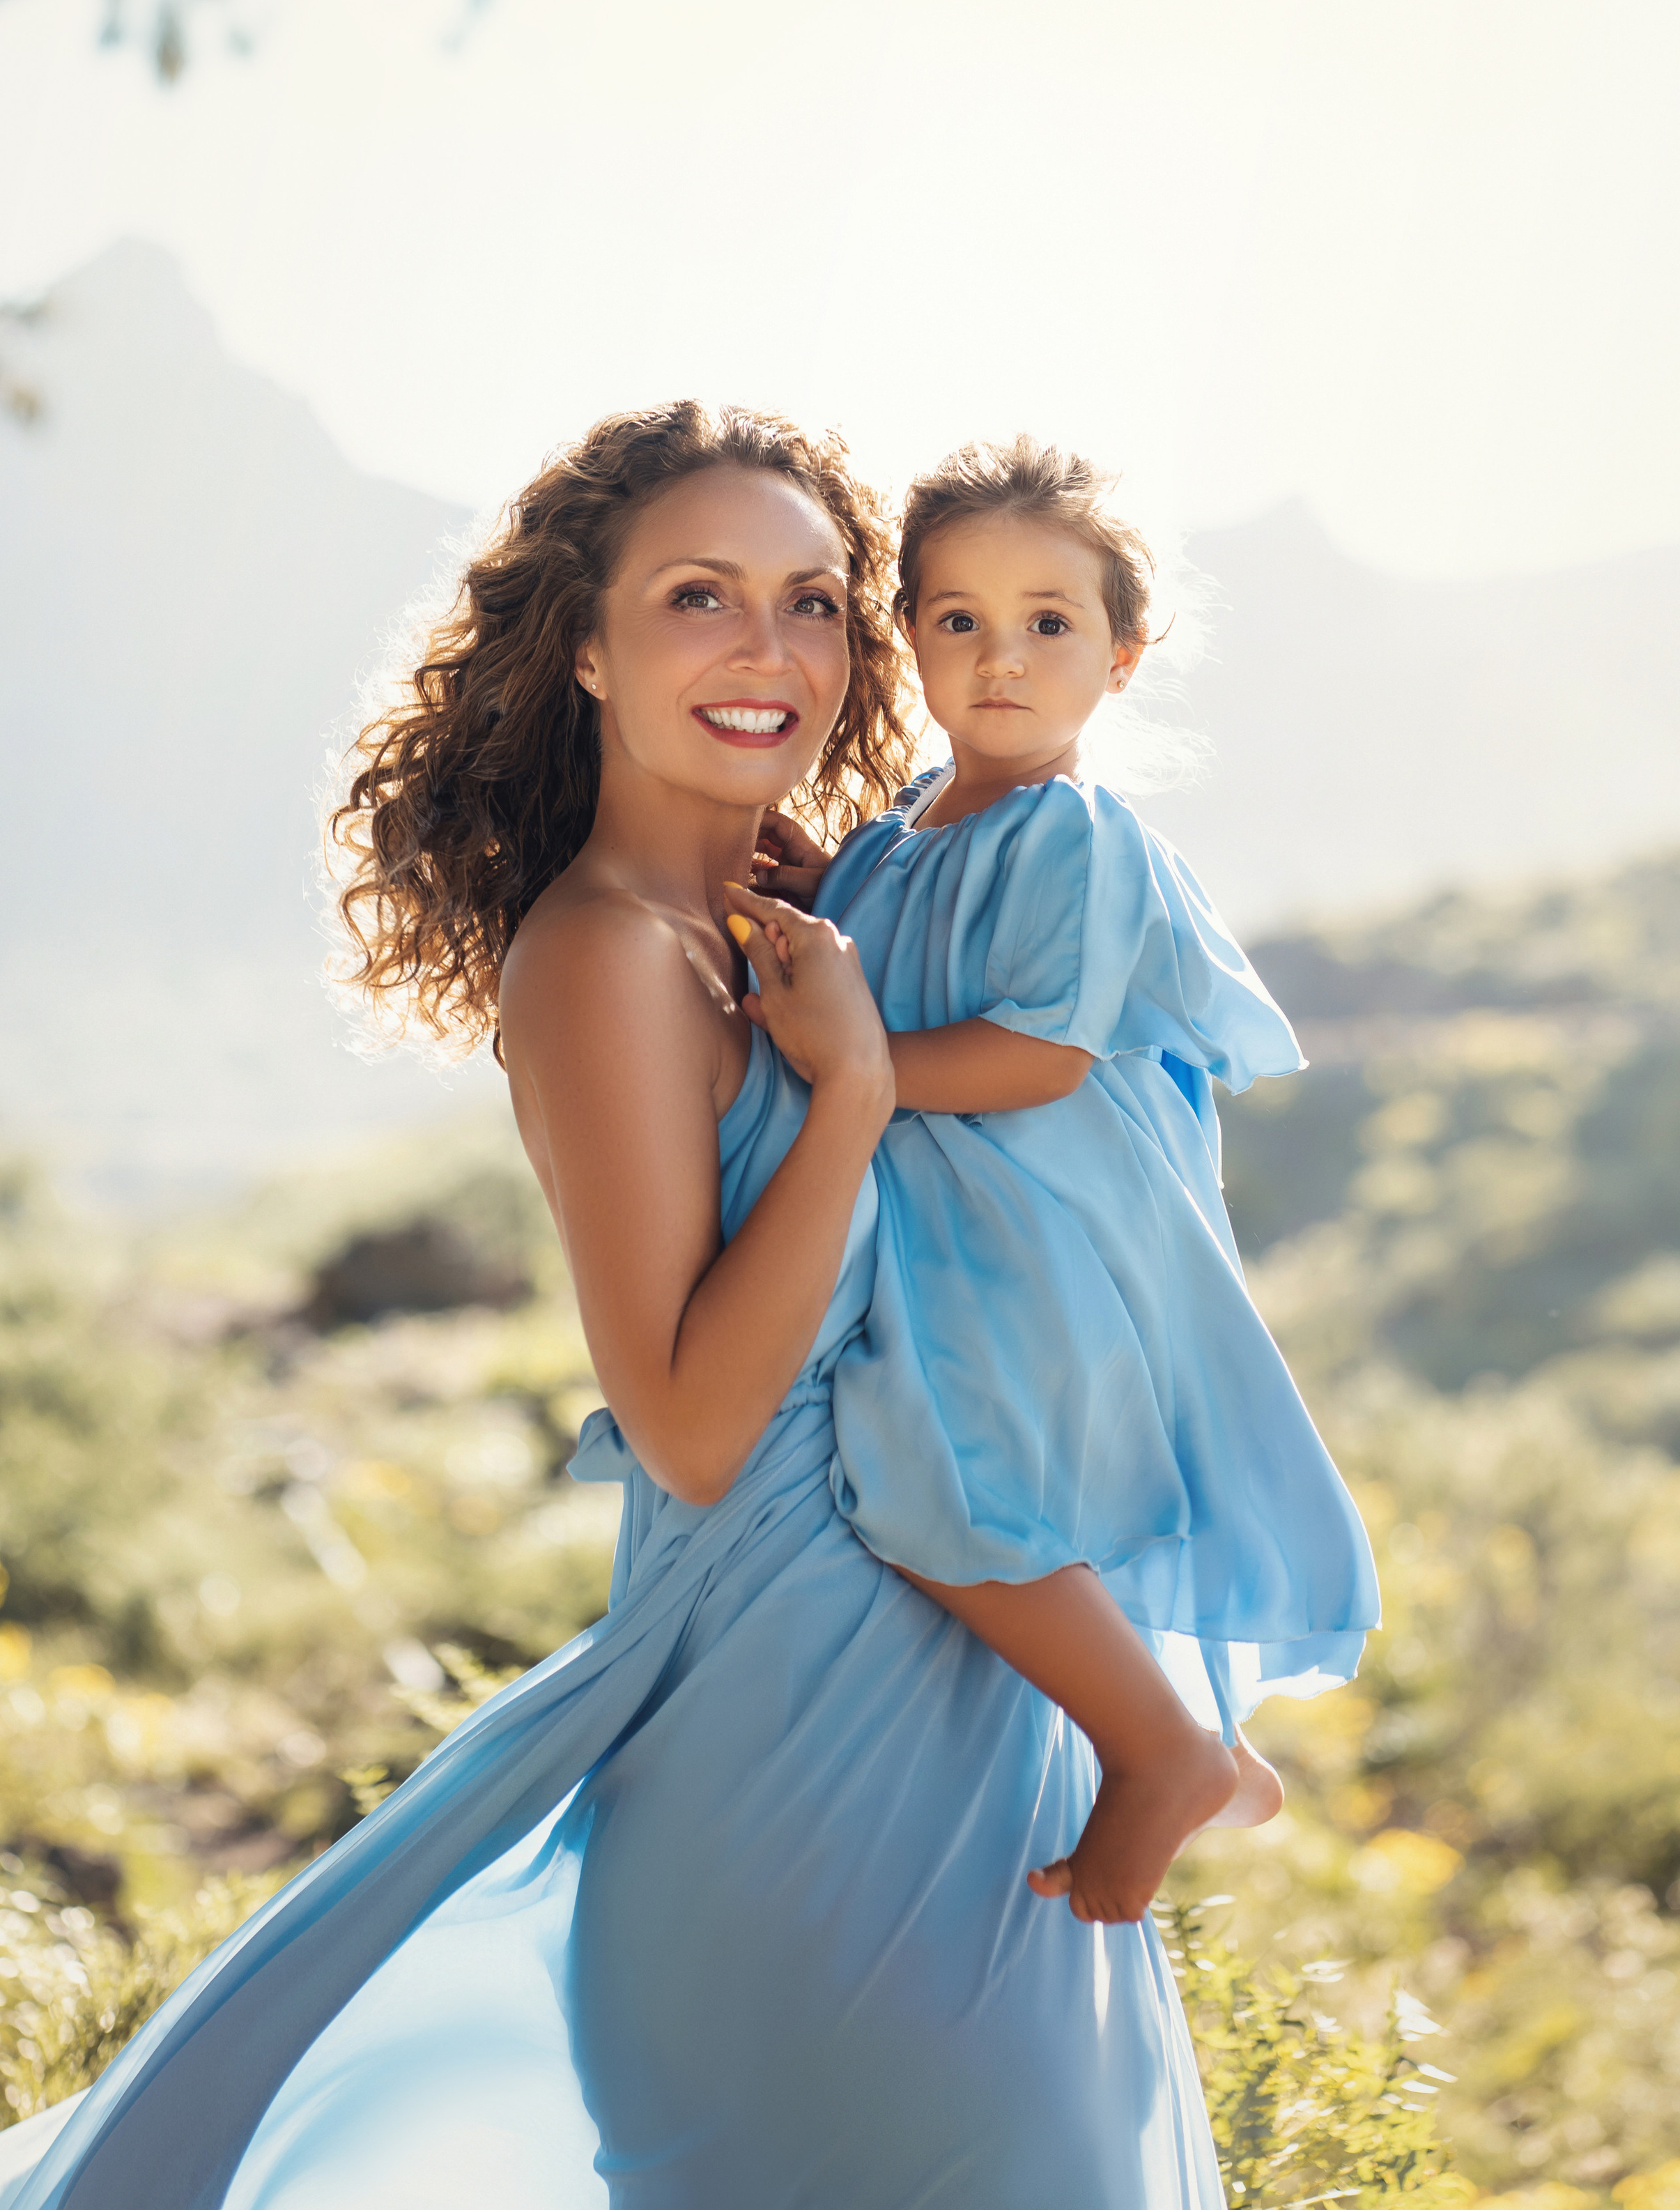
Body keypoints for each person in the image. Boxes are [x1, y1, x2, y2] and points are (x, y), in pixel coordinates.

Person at [0, 404, 1226, 2210]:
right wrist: (859, 1099)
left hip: (977, 1724)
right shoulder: (600, 958)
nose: (771, 650)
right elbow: (692, 1425)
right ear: (585, 641)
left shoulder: (793, 927)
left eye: (816, 603)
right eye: (698, 595)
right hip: (792, 1759)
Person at [737, 436, 1379, 1931]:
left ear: (1121, 655)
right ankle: (1203, 1754)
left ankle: (1153, 1748)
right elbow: (893, 953)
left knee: (936, 1483)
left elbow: (1033, 1053)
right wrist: (818, 884)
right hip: (944, 1224)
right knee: (970, 1477)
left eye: (1047, 623)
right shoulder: (905, 826)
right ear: (905, 639)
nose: (998, 659)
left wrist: (852, 1058)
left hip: (1031, 1236)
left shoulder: (1076, 833)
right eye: (955, 619)